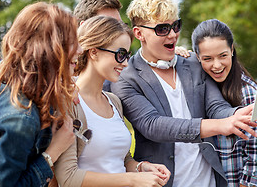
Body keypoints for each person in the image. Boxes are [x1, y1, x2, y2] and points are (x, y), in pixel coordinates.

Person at [111, 0, 257, 187]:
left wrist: (248, 113)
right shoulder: (125, 77)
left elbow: (217, 107)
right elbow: (153, 125)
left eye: (175, 26)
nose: (173, 34)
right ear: (139, 33)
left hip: (209, 181)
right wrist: (220, 125)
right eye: (162, 29)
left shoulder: (192, 62)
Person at [0, 2, 81, 186]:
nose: (80, 50)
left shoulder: (4, 73)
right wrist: (52, 153)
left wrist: (59, 85)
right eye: (71, 43)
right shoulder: (21, 119)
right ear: (49, 51)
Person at [53, 16, 171, 187]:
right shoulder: (69, 102)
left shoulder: (113, 101)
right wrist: (132, 180)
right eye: (120, 54)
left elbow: (121, 159)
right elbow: (68, 178)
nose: (125, 63)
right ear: (94, 52)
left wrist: (141, 167)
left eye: (127, 55)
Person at [189, 19, 257, 187]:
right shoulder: (198, 86)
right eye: (207, 58)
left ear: (232, 50)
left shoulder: (248, 92)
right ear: (197, 57)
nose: (217, 65)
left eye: (223, 56)